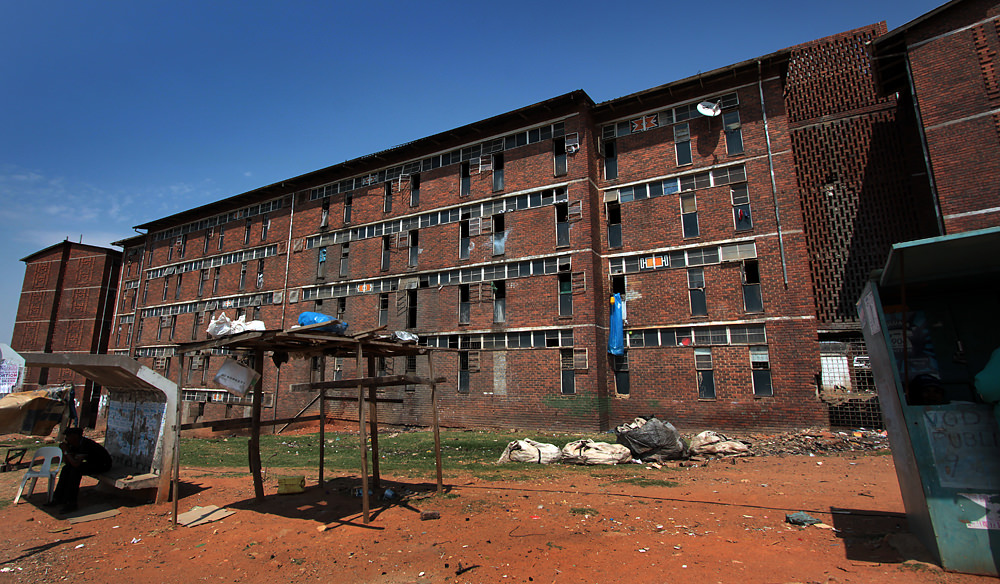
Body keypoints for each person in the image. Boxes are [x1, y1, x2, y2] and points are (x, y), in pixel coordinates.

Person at [48, 427, 112, 514]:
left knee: (75, 472)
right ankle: (58, 498)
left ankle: (71, 503)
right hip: (90, 463)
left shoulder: (85, 444)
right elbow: (68, 462)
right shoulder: (73, 444)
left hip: (102, 465)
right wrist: (64, 452)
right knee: (66, 469)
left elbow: (76, 464)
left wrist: (66, 452)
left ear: (75, 436)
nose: (66, 438)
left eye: (68, 436)